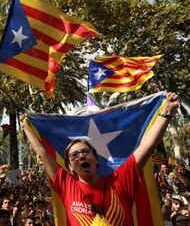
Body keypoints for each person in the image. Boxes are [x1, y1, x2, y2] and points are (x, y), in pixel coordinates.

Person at [23, 92, 180, 226]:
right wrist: (26, 127)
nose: (81, 156)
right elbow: (43, 154)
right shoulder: (66, 184)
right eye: (74, 155)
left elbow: (147, 147)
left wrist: (166, 113)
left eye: (86, 151)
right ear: (70, 166)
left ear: (96, 160)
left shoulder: (119, 180)